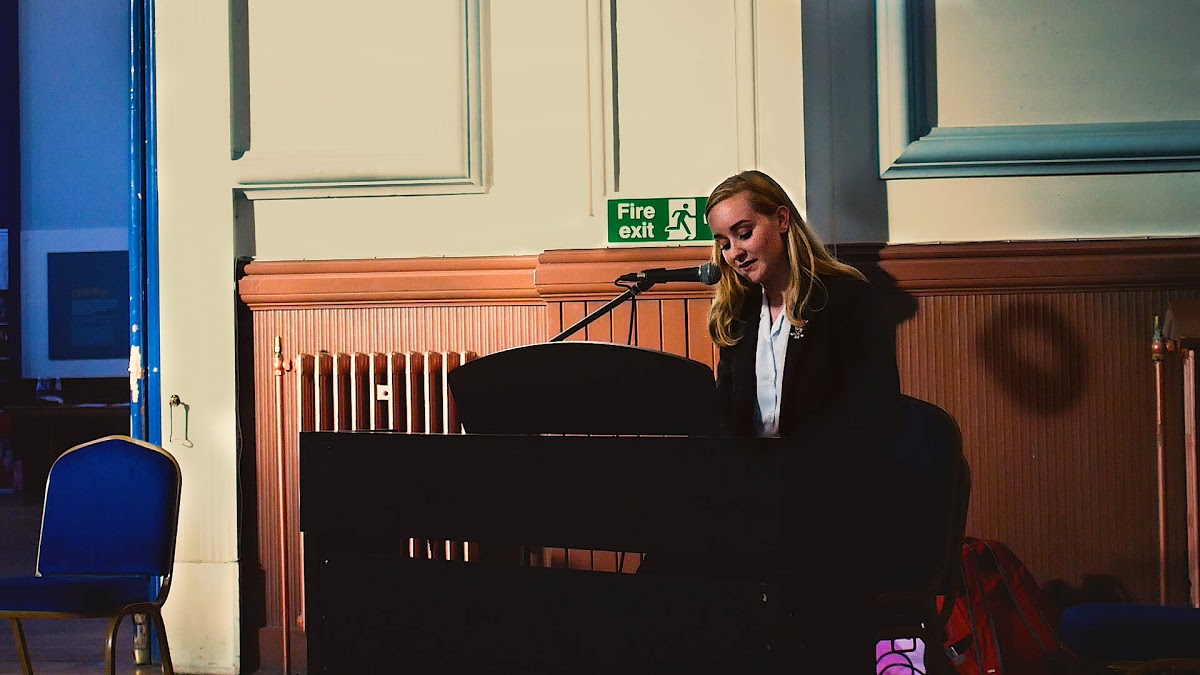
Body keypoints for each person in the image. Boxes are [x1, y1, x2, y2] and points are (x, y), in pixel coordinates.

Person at [705, 169, 902, 671]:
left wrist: (785, 478)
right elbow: (728, 422)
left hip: (829, 506)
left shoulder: (846, 300)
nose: (734, 252)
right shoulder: (738, 313)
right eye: (724, 242)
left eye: (743, 233)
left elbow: (871, 416)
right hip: (755, 505)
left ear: (782, 219)